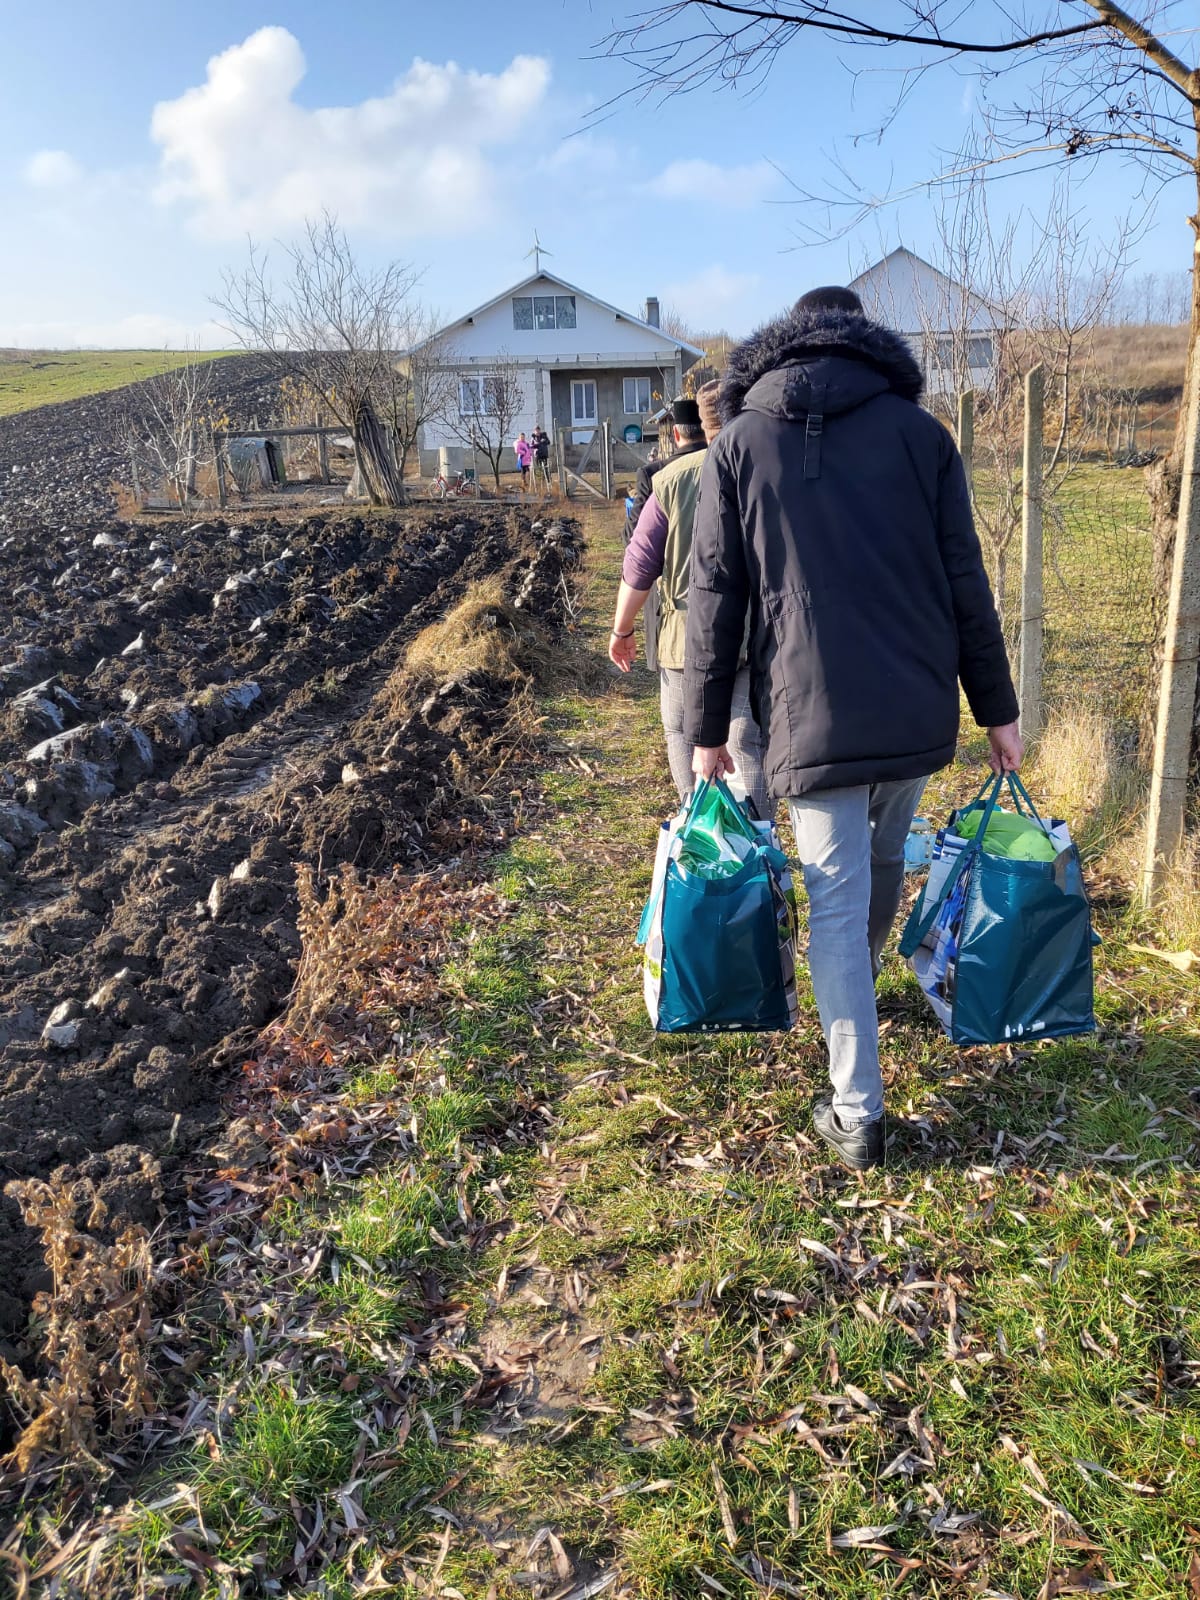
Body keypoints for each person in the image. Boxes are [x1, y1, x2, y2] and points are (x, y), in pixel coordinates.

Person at [683, 286, 1021, 1172]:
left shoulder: (738, 444)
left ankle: (856, 1107)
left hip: (807, 704)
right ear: (867, 344)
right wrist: (999, 710)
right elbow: (965, 579)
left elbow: (712, 596)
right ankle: (855, 1002)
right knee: (878, 862)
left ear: (782, 347)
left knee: (834, 894)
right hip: (913, 698)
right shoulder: (923, 438)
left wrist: (707, 726)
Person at [610, 391, 770, 819]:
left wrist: (621, 630)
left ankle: (699, 829)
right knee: (745, 740)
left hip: (686, 635)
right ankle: (758, 842)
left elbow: (639, 564)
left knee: (682, 731)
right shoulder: (767, 471)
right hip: (755, 631)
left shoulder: (670, 479)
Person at [531, 425, 552, 490]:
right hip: (537, 455)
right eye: (536, 431)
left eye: (538, 430)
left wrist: (544, 441)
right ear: (534, 431)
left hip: (544, 454)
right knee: (539, 468)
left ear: (540, 430)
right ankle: (540, 482)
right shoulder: (533, 438)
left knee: (546, 468)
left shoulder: (544, 436)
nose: (537, 432)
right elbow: (531, 446)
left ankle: (548, 481)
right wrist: (538, 444)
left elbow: (548, 442)